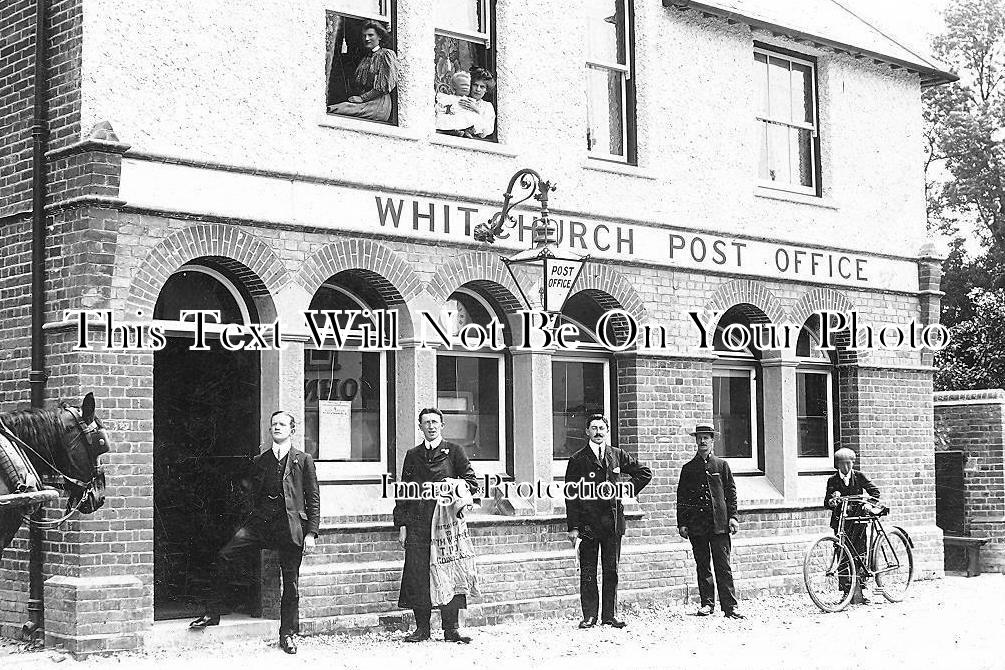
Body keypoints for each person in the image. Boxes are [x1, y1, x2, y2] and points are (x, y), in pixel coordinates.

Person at [189, 411, 320, 655]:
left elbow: (313, 499)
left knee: (290, 583)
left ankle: (288, 634)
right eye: (274, 424)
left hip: (290, 528)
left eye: (282, 424)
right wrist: (248, 519)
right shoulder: (261, 460)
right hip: (261, 525)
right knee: (225, 554)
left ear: (292, 430)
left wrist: (311, 533)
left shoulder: (303, 460)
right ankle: (212, 613)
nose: (277, 427)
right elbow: (248, 493)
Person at [394, 408, 479, 643]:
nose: (431, 426)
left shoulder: (454, 451)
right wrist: (402, 526)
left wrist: (452, 484)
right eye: (426, 423)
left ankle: (451, 629)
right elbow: (404, 492)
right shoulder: (412, 455)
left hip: (446, 526)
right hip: (418, 524)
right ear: (419, 427)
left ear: (442, 425)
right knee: (418, 574)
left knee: (448, 572)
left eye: (435, 422)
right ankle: (422, 629)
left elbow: (472, 483)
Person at [565, 414, 652, 629]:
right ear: (587, 432)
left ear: (607, 430)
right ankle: (589, 616)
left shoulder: (618, 455)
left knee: (611, 571)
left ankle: (609, 615)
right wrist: (573, 527)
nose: (598, 432)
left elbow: (644, 473)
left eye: (601, 428)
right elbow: (571, 497)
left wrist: (623, 490)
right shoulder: (577, 459)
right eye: (593, 428)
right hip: (588, 525)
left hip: (612, 524)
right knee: (588, 571)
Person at [676, 424, 743, 619]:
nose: (703, 441)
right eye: (700, 438)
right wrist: (682, 523)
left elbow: (731, 493)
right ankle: (707, 604)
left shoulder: (721, 466)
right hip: (697, 525)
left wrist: (733, 517)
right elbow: (682, 498)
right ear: (696, 441)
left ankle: (730, 607)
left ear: (713, 441)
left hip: (719, 525)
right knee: (703, 565)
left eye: (706, 438)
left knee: (723, 566)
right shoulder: (688, 469)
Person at [824, 447, 880, 602]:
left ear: (853, 463)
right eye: (842, 464)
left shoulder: (859, 476)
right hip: (841, 523)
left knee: (860, 554)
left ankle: (860, 590)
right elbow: (826, 502)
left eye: (849, 463)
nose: (846, 468)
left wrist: (868, 505)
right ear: (837, 465)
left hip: (858, 521)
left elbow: (875, 492)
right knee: (841, 556)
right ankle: (846, 591)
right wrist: (832, 501)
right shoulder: (832, 480)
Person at [327, 21, 400, 122]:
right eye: (364, 36)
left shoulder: (386, 55)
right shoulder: (366, 58)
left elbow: (384, 86)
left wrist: (362, 98)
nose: (366, 39)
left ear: (379, 36)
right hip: (364, 102)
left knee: (335, 110)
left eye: (370, 35)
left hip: (378, 104)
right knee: (334, 109)